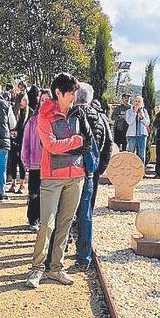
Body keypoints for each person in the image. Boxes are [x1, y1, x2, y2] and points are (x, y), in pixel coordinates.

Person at [25, 72, 85, 288]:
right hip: (51, 176)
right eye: (70, 92)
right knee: (47, 225)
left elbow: (88, 140)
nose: (73, 96)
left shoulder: (79, 113)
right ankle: (36, 268)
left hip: (76, 175)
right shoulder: (44, 115)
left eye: (75, 92)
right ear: (58, 93)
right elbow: (50, 145)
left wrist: (72, 143)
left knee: (65, 223)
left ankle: (56, 268)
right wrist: (76, 140)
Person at [70, 82, 112, 269]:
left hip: (70, 171)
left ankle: (59, 252)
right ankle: (83, 257)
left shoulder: (70, 115)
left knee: (65, 214)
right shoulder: (102, 118)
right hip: (90, 172)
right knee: (86, 215)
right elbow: (108, 146)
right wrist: (98, 170)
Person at [21, 89, 51, 231]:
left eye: (47, 99)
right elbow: (25, 142)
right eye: (42, 99)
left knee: (48, 194)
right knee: (34, 193)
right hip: (35, 163)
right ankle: (33, 219)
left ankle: (45, 219)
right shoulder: (32, 121)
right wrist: (25, 160)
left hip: (51, 163)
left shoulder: (55, 118)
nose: (44, 102)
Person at [8, 93, 31, 194]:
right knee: (13, 161)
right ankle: (13, 183)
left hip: (25, 140)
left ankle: (22, 184)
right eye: (23, 100)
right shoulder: (13, 110)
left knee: (22, 161)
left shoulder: (29, 112)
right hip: (14, 139)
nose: (25, 102)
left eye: (26, 100)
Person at [125, 95, 150, 163]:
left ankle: (141, 171)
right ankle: (130, 171)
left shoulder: (144, 111)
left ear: (141, 103)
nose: (137, 103)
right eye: (136, 101)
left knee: (142, 153)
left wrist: (142, 117)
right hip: (131, 135)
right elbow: (129, 122)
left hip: (142, 135)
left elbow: (147, 123)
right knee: (131, 153)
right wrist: (134, 113)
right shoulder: (129, 111)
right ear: (133, 102)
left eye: (139, 101)